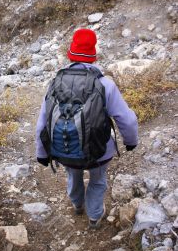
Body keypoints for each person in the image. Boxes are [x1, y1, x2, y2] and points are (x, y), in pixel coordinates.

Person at [36, 28, 138, 229]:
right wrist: (130, 141)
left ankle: (77, 204)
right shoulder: (105, 84)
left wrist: (41, 153)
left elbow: (42, 122)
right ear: (94, 55)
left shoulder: (55, 83)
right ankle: (94, 216)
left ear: (70, 53)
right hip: (99, 150)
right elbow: (126, 119)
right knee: (98, 180)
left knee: (73, 174)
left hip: (65, 149)